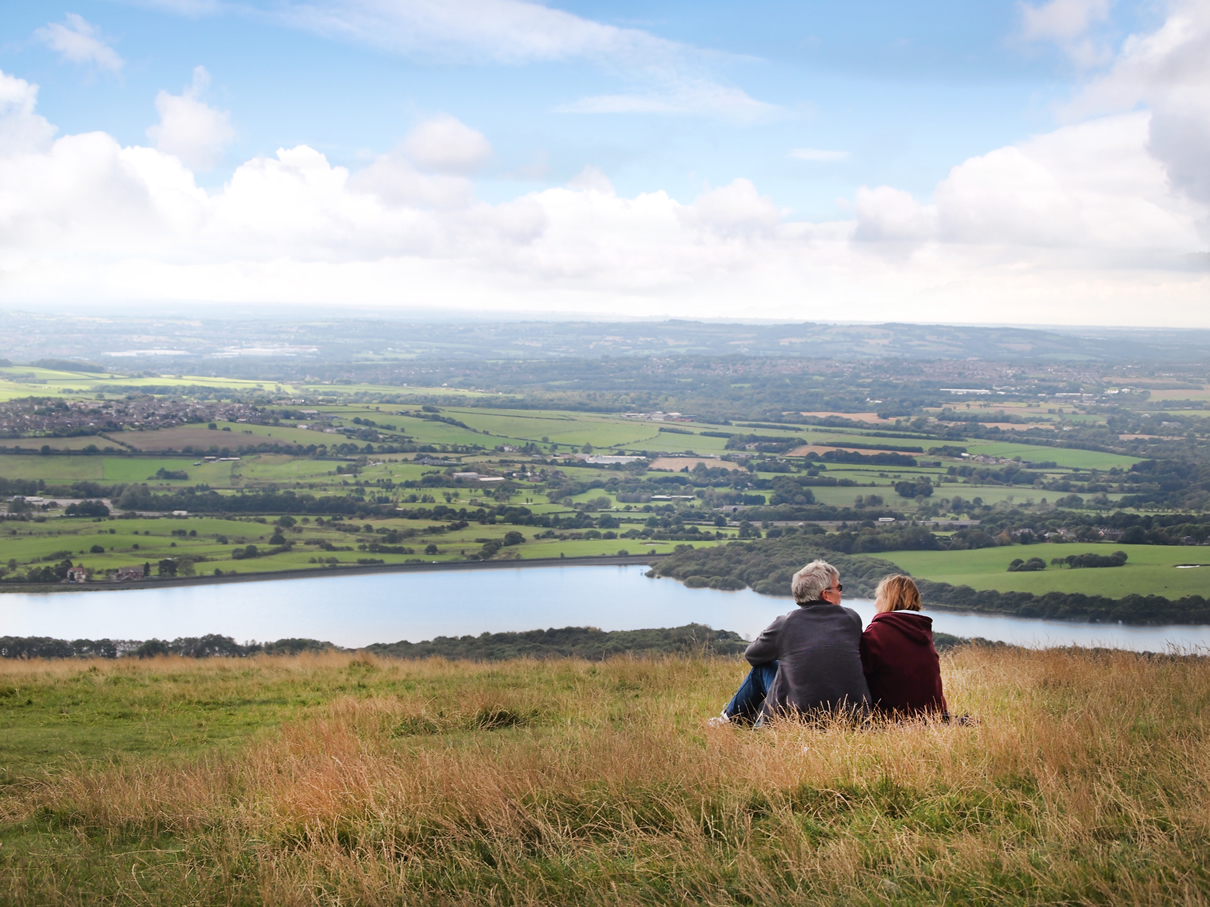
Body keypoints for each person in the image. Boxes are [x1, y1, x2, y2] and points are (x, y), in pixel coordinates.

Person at [711, 559, 871, 726]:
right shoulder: (851, 619)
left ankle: (727, 719)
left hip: (796, 720)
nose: (840, 592)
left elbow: (752, 655)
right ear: (826, 595)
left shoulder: (785, 624)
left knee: (763, 668)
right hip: (852, 718)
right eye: (839, 588)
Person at [860, 575, 947, 718]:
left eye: (878, 597)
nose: (875, 603)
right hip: (933, 716)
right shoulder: (922, 629)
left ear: (888, 599)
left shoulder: (878, 631)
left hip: (892, 717)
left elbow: (859, 674)